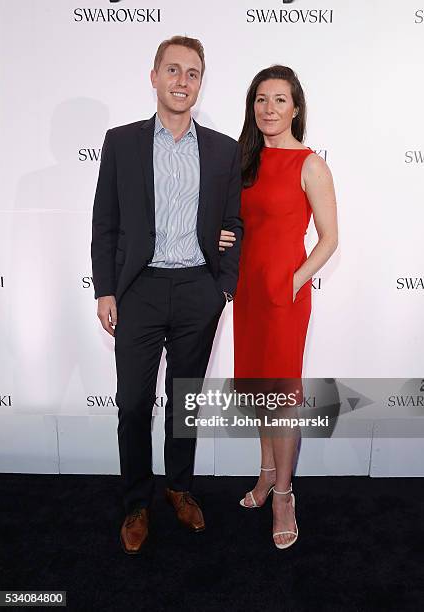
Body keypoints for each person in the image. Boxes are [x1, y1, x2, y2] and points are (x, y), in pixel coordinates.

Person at [91, 36, 242, 554]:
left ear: (201, 82)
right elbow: (105, 223)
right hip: (140, 290)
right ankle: (137, 501)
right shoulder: (122, 142)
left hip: (199, 289)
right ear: (153, 76)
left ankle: (179, 487)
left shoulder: (223, 149)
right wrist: (106, 290)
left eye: (193, 73)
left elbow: (233, 224)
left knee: (184, 402)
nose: (182, 81)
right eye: (173, 70)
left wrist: (222, 287)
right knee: (134, 404)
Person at [220, 65, 338, 549]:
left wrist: (293, 282)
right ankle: (267, 473)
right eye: (261, 100)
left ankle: (285, 495)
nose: (269, 109)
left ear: (296, 108)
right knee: (256, 389)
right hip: (247, 291)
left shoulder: (310, 163)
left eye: (279, 100)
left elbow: (330, 240)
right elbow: (237, 223)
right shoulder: (241, 161)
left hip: (285, 295)